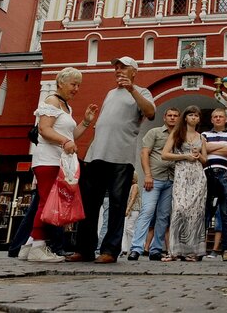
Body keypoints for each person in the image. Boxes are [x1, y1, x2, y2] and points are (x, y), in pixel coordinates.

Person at [78, 57, 155, 264]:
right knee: (89, 204)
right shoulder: (110, 93)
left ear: (134, 71)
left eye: (123, 67)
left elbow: (150, 112)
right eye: (116, 67)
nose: (118, 70)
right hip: (97, 155)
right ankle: (84, 249)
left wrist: (132, 90)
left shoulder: (142, 92)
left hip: (121, 157)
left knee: (117, 204)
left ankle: (110, 251)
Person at [22, 66, 96, 263]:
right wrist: (65, 142)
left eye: (78, 85)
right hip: (47, 159)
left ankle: (28, 246)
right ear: (61, 82)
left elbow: (71, 136)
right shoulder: (52, 101)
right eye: (73, 84)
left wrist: (86, 122)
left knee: (46, 201)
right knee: (47, 203)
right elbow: (45, 129)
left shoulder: (65, 106)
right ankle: (38, 246)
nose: (76, 89)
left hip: (57, 160)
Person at [125, 106, 178, 262]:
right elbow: (144, 153)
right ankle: (136, 248)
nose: (172, 118)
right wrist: (147, 175)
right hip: (154, 179)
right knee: (147, 212)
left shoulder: (180, 136)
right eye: (170, 115)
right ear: (165, 118)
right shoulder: (154, 133)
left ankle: (155, 249)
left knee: (163, 216)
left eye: (175, 115)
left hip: (171, 180)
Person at [162, 106, 207, 261]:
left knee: (195, 212)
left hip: (198, 175)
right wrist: (184, 156)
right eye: (191, 115)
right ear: (185, 118)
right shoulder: (177, 133)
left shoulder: (201, 137)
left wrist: (198, 155)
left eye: (196, 115)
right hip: (182, 173)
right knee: (179, 208)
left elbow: (205, 160)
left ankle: (192, 251)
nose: (194, 117)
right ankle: (174, 251)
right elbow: (165, 155)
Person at [202, 108, 227, 261]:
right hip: (207, 173)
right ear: (211, 119)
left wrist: (210, 148)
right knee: (205, 211)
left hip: (225, 173)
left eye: (221, 116)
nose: (218, 119)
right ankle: (200, 247)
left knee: (226, 212)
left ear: (226, 119)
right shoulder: (204, 135)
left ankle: (226, 249)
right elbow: (202, 150)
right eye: (215, 117)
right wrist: (223, 147)